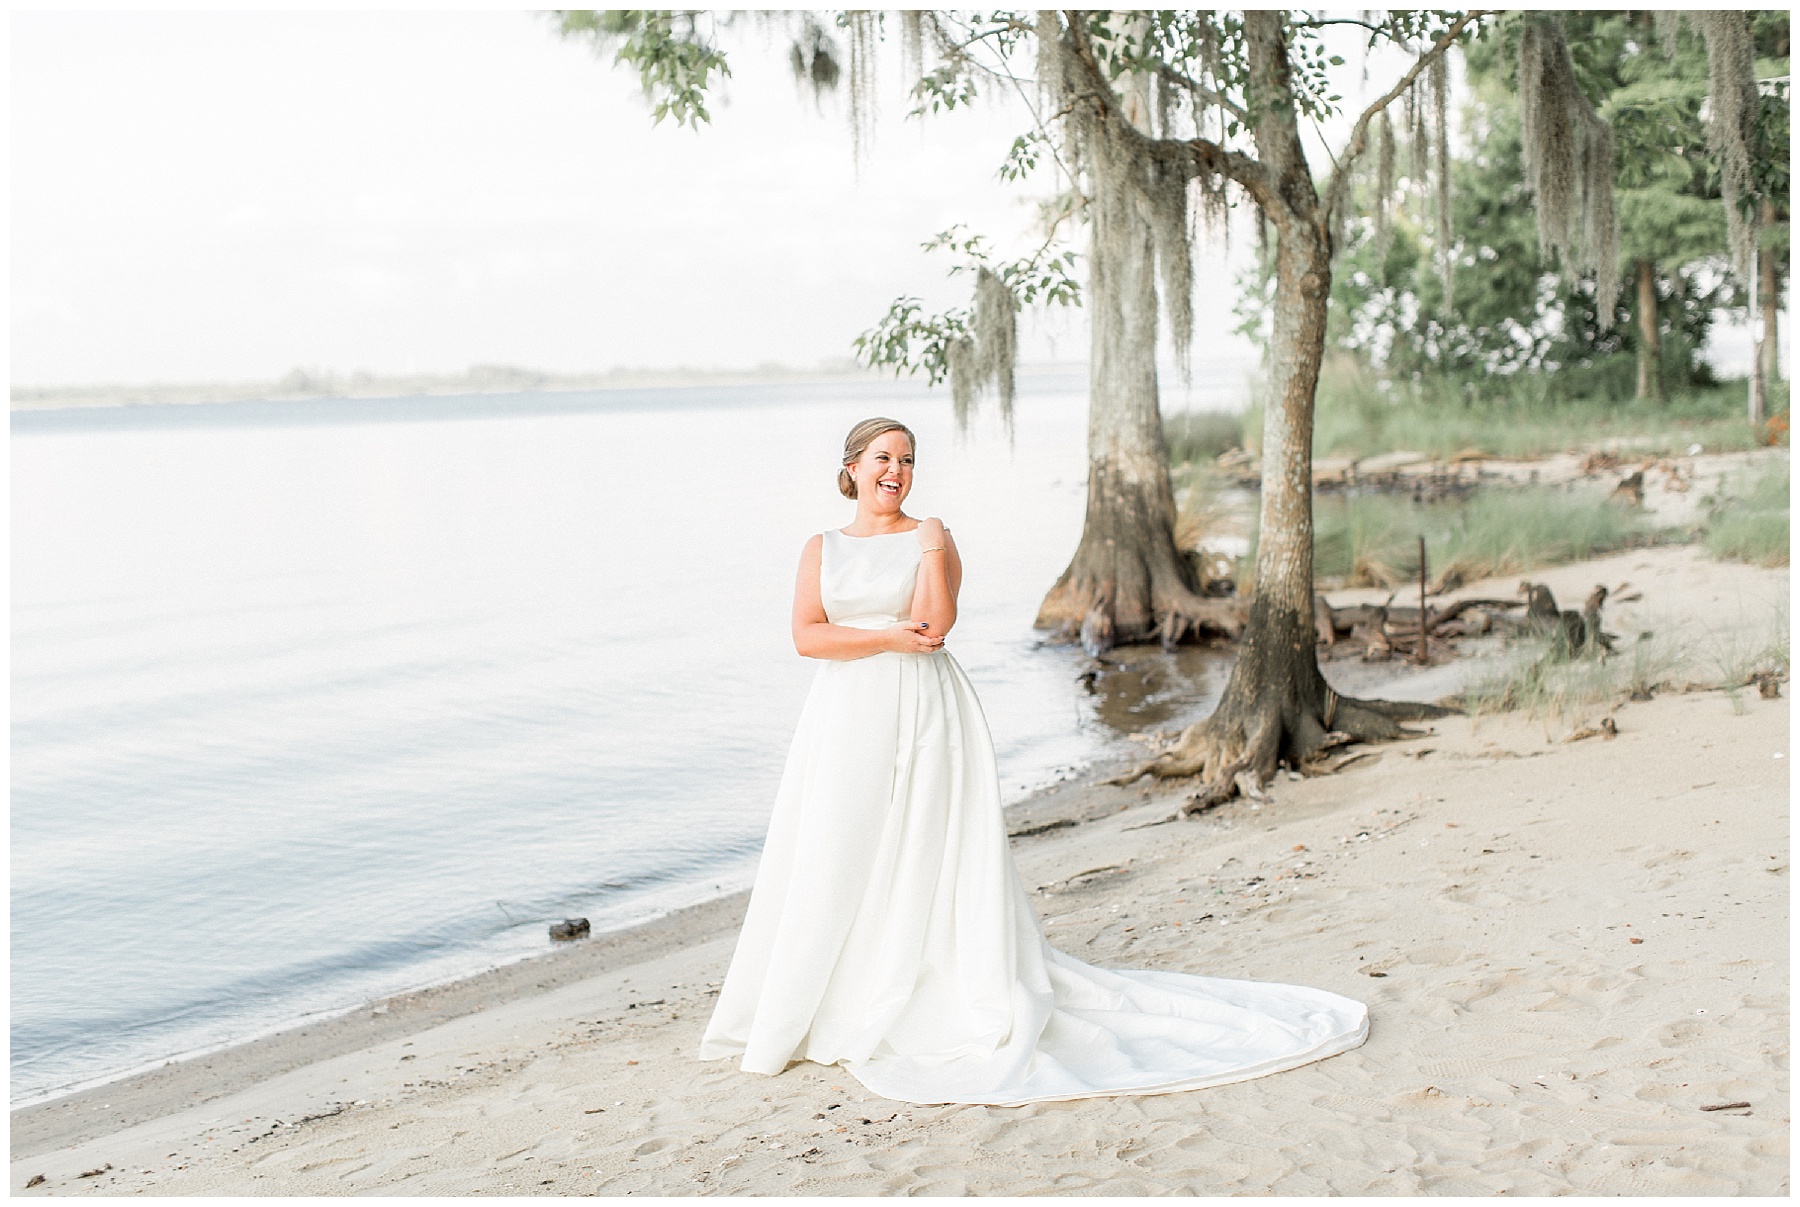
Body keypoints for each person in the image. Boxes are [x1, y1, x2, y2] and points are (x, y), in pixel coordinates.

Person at [697, 416, 1368, 1106]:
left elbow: (933, 628)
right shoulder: (821, 547)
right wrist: (885, 638)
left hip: (924, 708)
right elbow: (807, 637)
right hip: (843, 715)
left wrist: (930, 550)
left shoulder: (932, 537)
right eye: (882, 458)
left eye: (907, 459)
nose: (896, 470)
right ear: (852, 467)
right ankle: (826, 992)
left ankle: (915, 982)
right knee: (838, 844)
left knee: (922, 845)